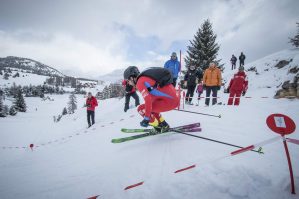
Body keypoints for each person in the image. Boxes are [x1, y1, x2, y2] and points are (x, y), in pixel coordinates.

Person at [123, 66, 180, 132]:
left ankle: (157, 127)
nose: (129, 83)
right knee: (150, 107)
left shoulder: (140, 82)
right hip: (174, 100)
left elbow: (148, 100)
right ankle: (163, 124)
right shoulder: (145, 78)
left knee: (141, 109)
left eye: (128, 81)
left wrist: (146, 118)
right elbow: (152, 97)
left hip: (170, 102)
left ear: (131, 78)